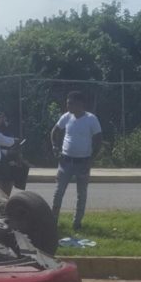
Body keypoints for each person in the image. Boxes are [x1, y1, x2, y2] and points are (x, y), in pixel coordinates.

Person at [50, 91, 102, 232]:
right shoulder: (66, 117)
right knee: (58, 192)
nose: (68, 106)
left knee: (81, 194)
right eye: (67, 103)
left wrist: (91, 159)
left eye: (70, 103)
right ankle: (53, 221)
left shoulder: (91, 119)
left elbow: (98, 140)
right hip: (65, 161)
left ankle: (77, 223)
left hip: (83, 163)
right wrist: (55, 147)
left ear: (80, 104)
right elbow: (54, 131)